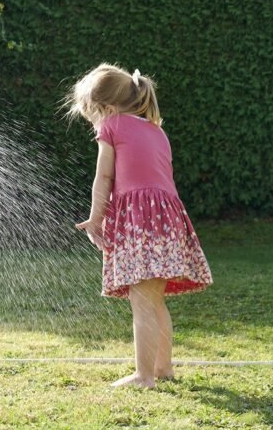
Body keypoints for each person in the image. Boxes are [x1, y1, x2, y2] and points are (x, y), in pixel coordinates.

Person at [65, 63, 211, 389]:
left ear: (106, 109)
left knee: (142, 303)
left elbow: (104, 176)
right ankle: (163, 368)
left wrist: (96, 217)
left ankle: (144, 376)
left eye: (90, 113)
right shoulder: (156, 130)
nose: (91, 122)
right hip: (166, 221)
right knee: (154, 300)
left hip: (141, 222)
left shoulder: (112, 127)